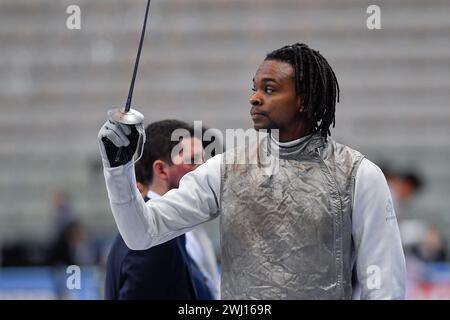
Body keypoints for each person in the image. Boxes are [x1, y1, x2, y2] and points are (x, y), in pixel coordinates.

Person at [98, 43, 406, 299]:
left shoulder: (358, 175)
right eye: (255, 88)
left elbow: (384, 284)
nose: (254, 97)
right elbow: (142, 233)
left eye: (270, 89)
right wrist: (119, 168)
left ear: (304, 100)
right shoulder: (227, 170)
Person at [104, 120, 216, 300]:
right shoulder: (153, 242)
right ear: (162, 170)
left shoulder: (177, 231)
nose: (203, 171)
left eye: (205, 162)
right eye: (192, 161)